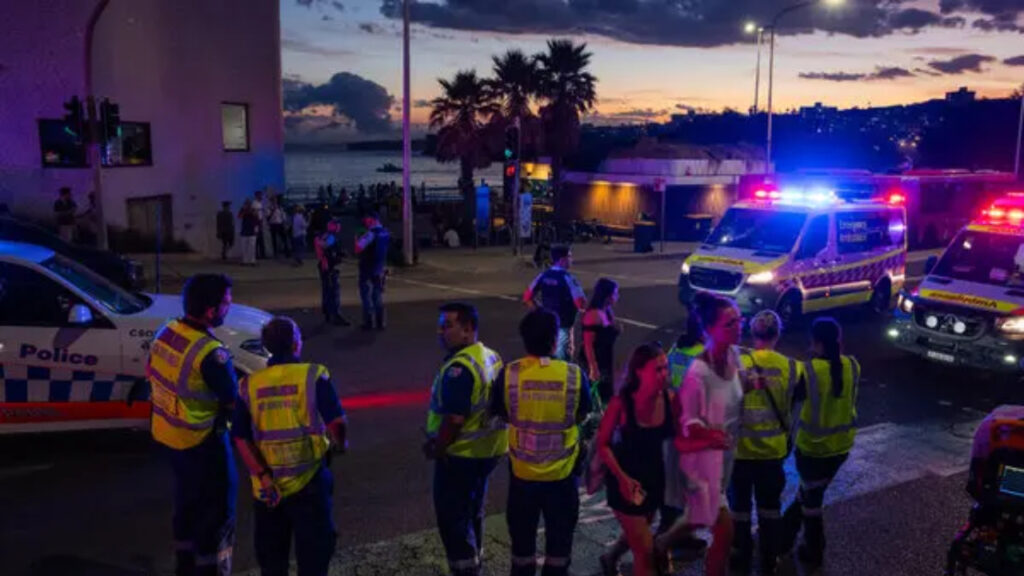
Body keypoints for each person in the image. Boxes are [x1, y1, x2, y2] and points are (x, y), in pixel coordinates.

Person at [232, 317, 348, 576]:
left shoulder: (248, 385)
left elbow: (240, 437)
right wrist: (341, 444)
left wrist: (263, 476)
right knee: (314, 557)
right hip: (309, 478)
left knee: (272, 559)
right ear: (296, 343)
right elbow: (337, 423)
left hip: (268, 488)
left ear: (266, 346)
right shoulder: (313, 375)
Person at [147, 274, 239, 576]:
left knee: (185, 505)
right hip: (203, 441)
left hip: (169, 434)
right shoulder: (211, 353)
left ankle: (184, 567)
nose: (229, 307)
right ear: (211, 311)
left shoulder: (167, 331)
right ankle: (211, 570)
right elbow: (232, 401)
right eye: (226, 302)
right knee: (217, 512)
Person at [492, 309, 592, 576]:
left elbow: (501, 413)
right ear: (554, 339)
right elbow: (583, 415)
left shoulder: (509, 373)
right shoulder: (574, 375)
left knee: (522, 549)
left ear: (525, 339)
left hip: (522, 476)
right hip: (562, 476)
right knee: (559, 550)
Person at [655, 294, 748, 576]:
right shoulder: (698, 372)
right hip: (699, 462)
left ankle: (661, 543)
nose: (738, 326)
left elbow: (732, 392)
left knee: (700, 518)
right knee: (725, 531)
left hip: (723, 459)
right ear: (709, 330)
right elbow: (683, 422)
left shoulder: (734, 356)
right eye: (730, 323)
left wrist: (752, 386)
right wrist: (709, 435)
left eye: (739, 319)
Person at [423, 303, 507, 576]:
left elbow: (454, 419)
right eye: (440, 326)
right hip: (490, 450)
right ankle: (475, 560)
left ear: (468, 329)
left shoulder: (459, 369)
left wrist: (438, 448)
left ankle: (466, 569)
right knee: (474, 510)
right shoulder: (491, 356)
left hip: (461, 455)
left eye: (447, 326)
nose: (440, 332)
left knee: (454, 520)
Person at [594, 343, 684, 576]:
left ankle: (610, 557)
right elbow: (603, 444)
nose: (664, 374)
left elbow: (681, 438)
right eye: (658, 369)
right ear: (639, 371)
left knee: (640, 531)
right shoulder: (622, 404)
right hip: (626, 486)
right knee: (644, 553)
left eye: (666, 368)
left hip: (654, 483)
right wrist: (622, 479)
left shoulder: (671, 399)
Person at [782, 317, 860, 567]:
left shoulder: (810, 371)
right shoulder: (853, 365)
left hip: (812, 449)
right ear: (839, 339)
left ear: (815, 342)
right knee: (809, 493)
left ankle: (814, 550)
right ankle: (783, 536)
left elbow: (791, 401)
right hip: (841, 448)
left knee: (811, 502)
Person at [730, 310, 799, 575]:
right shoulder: (791, 367)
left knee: (740, 510)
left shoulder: (738, 364)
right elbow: (798, 403)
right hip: (772, 453)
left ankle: (741, 557)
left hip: (741, 453)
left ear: (753, 333)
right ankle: (769, 560)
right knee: (770, 510)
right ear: (777, 335)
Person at [522, 244, 587, 361]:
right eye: (570, 256)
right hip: (564, 324)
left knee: (546, 356)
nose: (572, 260)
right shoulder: (568, 278)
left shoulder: (543, 275)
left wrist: (540, 310)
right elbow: (580, 303)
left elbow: (527, 297)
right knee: (563, 358)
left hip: (548, 323)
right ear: (562, 260)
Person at [579, 278, 620, 406]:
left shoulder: (606, 311)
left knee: (605, 394)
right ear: (607, 296)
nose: (617, 296)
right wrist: (593, 367)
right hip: (595, 360)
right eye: (615, 293)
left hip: (605, 359)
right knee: (595, 395)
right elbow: (588, 344)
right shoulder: (593, 315)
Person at [354, 211, 391, 331]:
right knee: (377, 295)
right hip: (379, 267)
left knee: (366, 295)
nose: (366, 223)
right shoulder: (385, 232)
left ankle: (368, 321)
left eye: (367, 220)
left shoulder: (370, 234)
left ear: (372, 220)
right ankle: (380, 322)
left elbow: (358, 248)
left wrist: (357, 239)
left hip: (367, 266)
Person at [314, 220, 350, 326]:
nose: (339, 227)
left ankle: (328, 313)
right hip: (329, 266)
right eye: (337, 225)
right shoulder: (330, 237)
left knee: (327, 290)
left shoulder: (323, 236)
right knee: (334, 291)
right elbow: (326, 247)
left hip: (324, 265)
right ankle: (336, 315)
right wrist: (340, 254)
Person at [239, 200, 258, 266]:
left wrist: (256, 229)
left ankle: (252, 261)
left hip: (252, 231)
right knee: (244, 247)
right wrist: (244, 210)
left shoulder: (253, 210)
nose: (248, 205)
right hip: (244, 231)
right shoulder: (242, 210)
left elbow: (256, 217)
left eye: (249, 204)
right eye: (246, 204)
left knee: (252, 247)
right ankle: (245, 261)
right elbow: (240, 217)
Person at [252, 189, 267, 260]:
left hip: (260, 222)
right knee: (257, 239)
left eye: (261, 195)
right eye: (260, 195)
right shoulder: (254, 203)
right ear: (256, 196)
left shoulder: (260, 203)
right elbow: (254, 213)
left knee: (261, 239)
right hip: (256, 222)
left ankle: (262, 254)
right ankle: (256, 254)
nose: (261, 196)